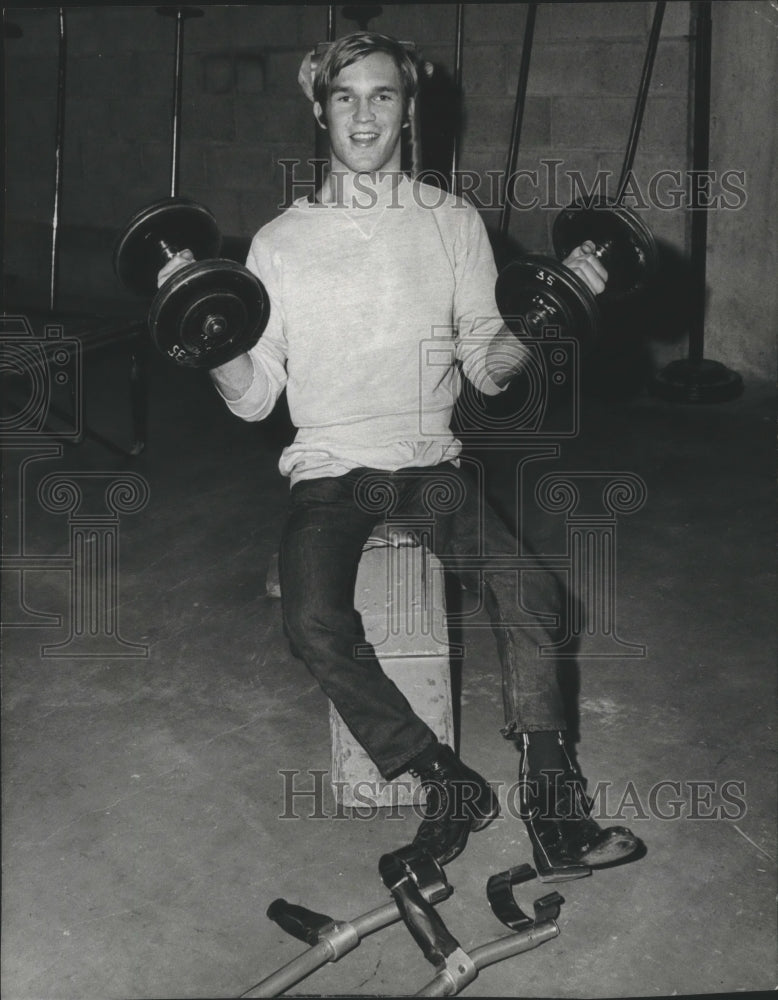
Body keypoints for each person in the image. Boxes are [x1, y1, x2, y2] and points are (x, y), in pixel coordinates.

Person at [159, 32, 641, 881]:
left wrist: (549, 308)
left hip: (430, 467)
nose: (364, 114)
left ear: (409, 111)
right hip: (332, 473)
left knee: (528, 589)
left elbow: (490, 371)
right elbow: (256, 397)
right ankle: (440, 778)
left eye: (383, 96)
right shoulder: (277, 244)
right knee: (312, 621)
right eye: (346, 97)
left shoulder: (452, 224)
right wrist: (208, 327)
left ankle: (554, 808)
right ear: (319, 111)